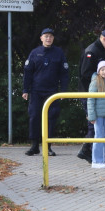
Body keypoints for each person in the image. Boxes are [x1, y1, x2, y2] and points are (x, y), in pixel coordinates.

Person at [22, 27, 69, 157]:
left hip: (52, 92)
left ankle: (48, 147)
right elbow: (28, 72)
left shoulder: (58, 53)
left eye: (51, 36)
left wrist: (63, 91)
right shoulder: (34, 53)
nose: (48, 38)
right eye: (46, 36)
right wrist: (25, 90)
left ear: (53, 39)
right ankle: (34, 146)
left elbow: (64, 74)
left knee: (51, 118)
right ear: (41, 38)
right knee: (34, 117)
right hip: (36, 91)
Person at [78, 28, 105, 160]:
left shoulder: (101, 50)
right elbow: (85, 73)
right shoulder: (92, 51)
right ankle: (88, 152)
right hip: (90, 93)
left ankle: (90, 151)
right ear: (104, 39)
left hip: (99, 93)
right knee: (94, 123)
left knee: (98, 124)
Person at [87, 61, 105, 169]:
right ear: (99, 71)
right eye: (102, 69)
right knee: (98, 136)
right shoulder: (95, 82)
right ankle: (96, 160)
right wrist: (92, 116)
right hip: (98, 115)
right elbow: (90, 99)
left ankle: (104, 159)